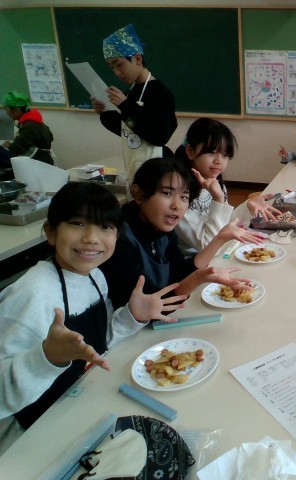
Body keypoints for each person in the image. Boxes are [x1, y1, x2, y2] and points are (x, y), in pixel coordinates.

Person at [0, 182, 186, 455]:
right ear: (51, 232)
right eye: (77, 224)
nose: (91, 238)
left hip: (76, 404)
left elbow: (98, 344)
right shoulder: (31, 295)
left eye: (105, 227)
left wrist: (132, 316)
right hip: (28, 436)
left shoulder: (95, 276)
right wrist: (47, 358)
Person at [99, 157, 249, 310]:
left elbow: (178, 273)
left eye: (184, 197)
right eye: (166, 193)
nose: (177, 205)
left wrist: (220, 239)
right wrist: (198, 278)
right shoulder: (118, 239)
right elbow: (143, 309)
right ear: (138, 194)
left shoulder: (160, 228)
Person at [174, 117, 280, 256]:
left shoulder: (216, 185)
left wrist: (247, 207)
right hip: (193, 263)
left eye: (225, 155)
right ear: (190, 151)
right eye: (211, 152)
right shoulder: (180, 195)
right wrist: (218, 199)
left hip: (216, 256)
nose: (219, 161)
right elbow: (209, 246)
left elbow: (225, 224)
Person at [92, 24, 177, 181]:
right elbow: (129, 131)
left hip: (157, 173)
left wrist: (125, 106)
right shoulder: (131, 92)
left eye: (119, 64)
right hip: (134, 170)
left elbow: (159, 137)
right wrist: (104, 112)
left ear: (138, 59)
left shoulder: (160, 93)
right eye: (112, 67)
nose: (117, 72)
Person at [0, 90, 55, 167]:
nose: (7, 113)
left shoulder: (29, 126)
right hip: (43, 160)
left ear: (16, 110)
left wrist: (8, 145)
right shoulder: (34, 121)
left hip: (38, 164)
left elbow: (15, 149)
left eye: (8, 110)